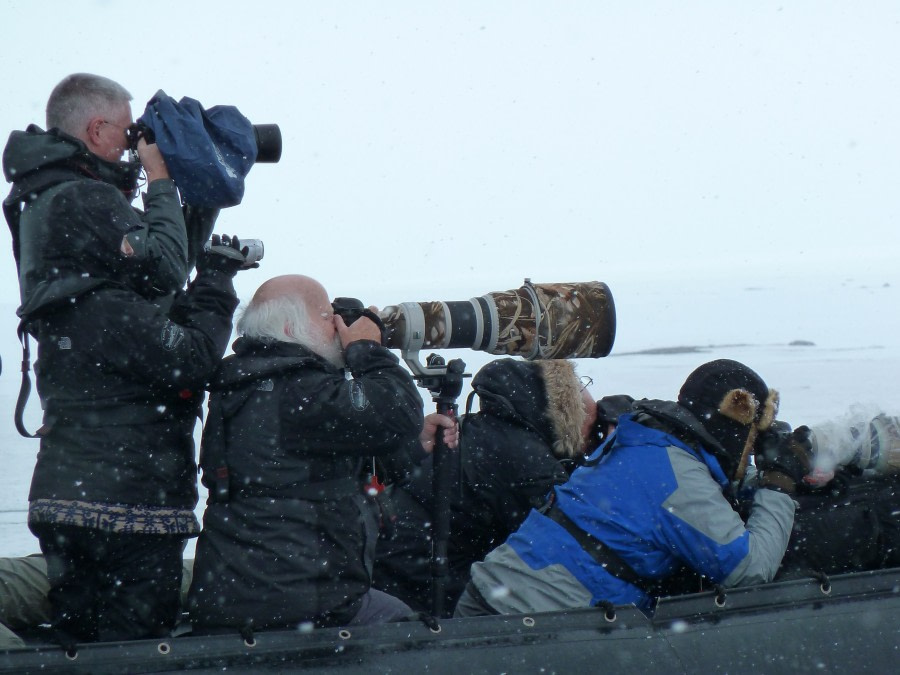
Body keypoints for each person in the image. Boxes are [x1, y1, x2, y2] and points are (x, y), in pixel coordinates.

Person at [455, 358, 795, 616]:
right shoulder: (676, 477)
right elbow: (749, 570)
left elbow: (695, 492)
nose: (750, 452)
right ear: (736, 426)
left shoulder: (647, 443)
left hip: (496, 599)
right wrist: (779, 486)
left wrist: (761, 481)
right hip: (532, 619)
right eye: (752, 440)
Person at [187, 275, 427, 634]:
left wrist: (415, 442)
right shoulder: (298, 389)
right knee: (410, 633)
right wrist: (367, 348)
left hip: (242, 589)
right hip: (299, 600)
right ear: (289, 326)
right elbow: (397, 412)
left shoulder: (249, 383)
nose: (336, 327)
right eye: (327, 315)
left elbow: (315, 460)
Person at [374, 357, 618, 615]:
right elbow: (578, 536)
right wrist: (609, 463)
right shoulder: (526, 460)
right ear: (565, 414)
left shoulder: (490, 429)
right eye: (593, 435)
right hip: (425, 590)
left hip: (391, 567)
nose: (591, 447)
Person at [3, 73, 200, 310]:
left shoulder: (51, 193)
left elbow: (167, 257)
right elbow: (168, 271)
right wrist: (158, 176)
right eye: (129, 133)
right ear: (97, 130)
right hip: (112, 343)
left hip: (85, 341)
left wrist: (205, 194)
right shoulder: (82, 196)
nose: (131, 144)